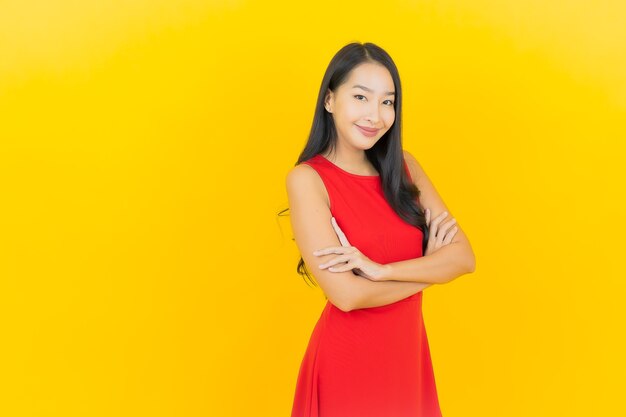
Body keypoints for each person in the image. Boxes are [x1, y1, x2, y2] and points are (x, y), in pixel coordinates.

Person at [284, 42, 476, 417]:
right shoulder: (307, 180)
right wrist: (431, 270)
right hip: (348, 363)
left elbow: (464, 258)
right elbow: (347, 295)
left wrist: (382, 270)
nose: (376, 115)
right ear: (329, 100)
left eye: (387, 102)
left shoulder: (405, 167)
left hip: (408, 359)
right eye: (361, 97)